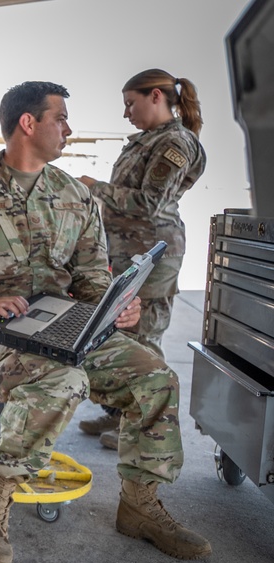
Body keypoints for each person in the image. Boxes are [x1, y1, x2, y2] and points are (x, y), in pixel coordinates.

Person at [0, 80, 210, 563]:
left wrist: (115, 309)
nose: (68, 128)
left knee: (154, 375)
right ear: (29, 123)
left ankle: (138, 504)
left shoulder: (74, 196)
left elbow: (90, 279)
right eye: (60, 118)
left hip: (65, 325)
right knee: (62, 381)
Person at [77, 69, 206, 449]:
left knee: (145, 339)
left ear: (155, 96)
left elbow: (151, 203)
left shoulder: (175, 143)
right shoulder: (148, 140)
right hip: (128, 252)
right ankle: (120, 412)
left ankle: (143, 431)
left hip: (154, 255)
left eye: (130, 104)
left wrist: (94, 188)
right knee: (121, 333)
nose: (126, 113)